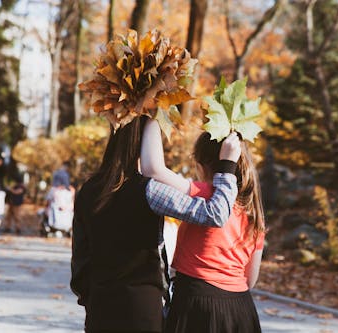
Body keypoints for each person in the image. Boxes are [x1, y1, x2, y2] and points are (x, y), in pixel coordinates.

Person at [70, 116, 242, 333]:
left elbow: (80, 257)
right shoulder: (149, 190)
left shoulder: (88, 190)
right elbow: (214, 214)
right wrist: (227, 167)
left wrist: (89, 298)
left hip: (100, 307)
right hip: (143, 308)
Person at [163, 131, 266, 333]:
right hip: (240, 310)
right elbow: (250, 279)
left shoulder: (204, 194)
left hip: (197, 305)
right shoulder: (254, 212)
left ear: (200, 167)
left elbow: (155, 171)